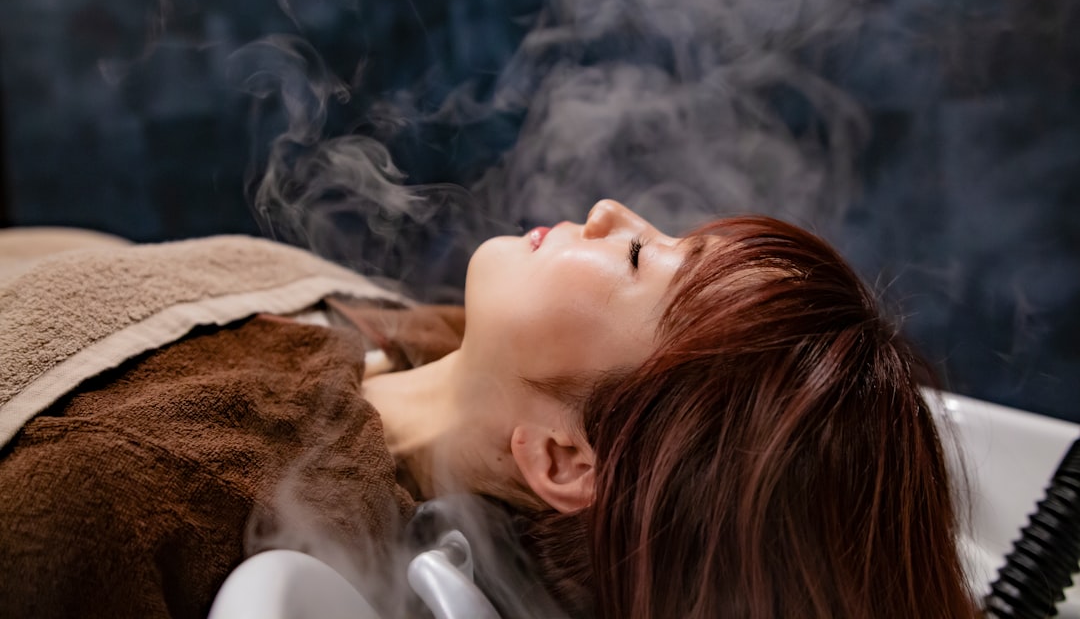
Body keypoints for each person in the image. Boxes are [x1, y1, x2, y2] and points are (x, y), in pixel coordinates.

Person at [0, 200, 975, 619]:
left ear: (561, 458)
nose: (609, 215)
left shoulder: (129, 487)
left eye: (639, 262)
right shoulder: (415, 341)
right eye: (662, 234)